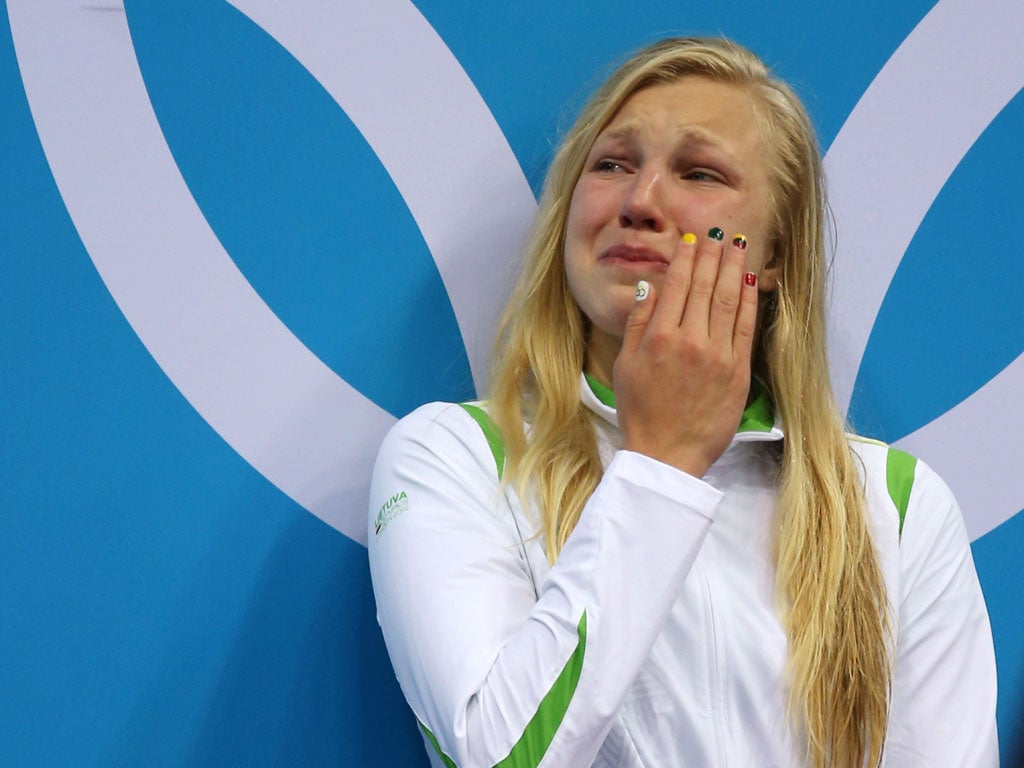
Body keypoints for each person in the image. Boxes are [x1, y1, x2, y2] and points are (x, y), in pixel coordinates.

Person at [367, 37, 998, 768]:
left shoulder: (898, 504)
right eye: (611, 164)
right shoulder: (455, 457)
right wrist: (662, 461)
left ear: (775, 255)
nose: (640, 202)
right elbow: (505, 757)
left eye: (699, 173)